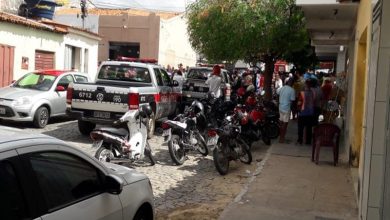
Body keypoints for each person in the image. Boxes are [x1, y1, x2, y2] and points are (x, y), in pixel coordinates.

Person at [297, 79, 315, 145]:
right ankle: (308, 141)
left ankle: (300, 140)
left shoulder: (302, 93)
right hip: (310, 112)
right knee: (309, 128)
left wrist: (298, 109)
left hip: (303, 112)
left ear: (306, 85)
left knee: (300, 127)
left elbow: (299, 103)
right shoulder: (313, 93)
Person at [278, 78, 295, 143]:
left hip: (281, 107)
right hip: (287, 108)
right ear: (292, 83)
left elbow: (277, 94)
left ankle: (281, 137)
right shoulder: (292, 90)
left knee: (281, 122)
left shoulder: (282, 88)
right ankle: (282, 138)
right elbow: (292, 101)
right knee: (285, 124)